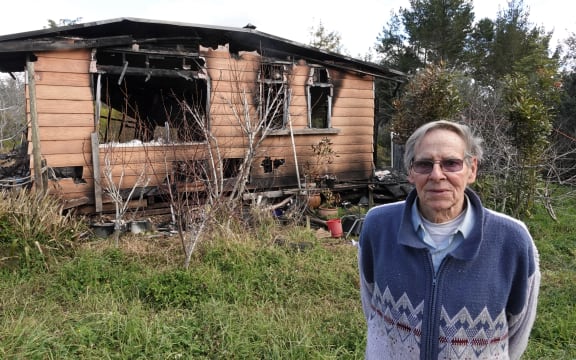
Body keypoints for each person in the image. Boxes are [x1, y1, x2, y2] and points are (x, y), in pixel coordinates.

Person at [358, 120, 540, 359]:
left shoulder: (512, 240)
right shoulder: (378, 225)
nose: (436, 175)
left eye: (451, 163)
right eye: (424, 164)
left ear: (471, 169)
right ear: (411, 172)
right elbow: (371, 303)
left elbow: (518, 329)